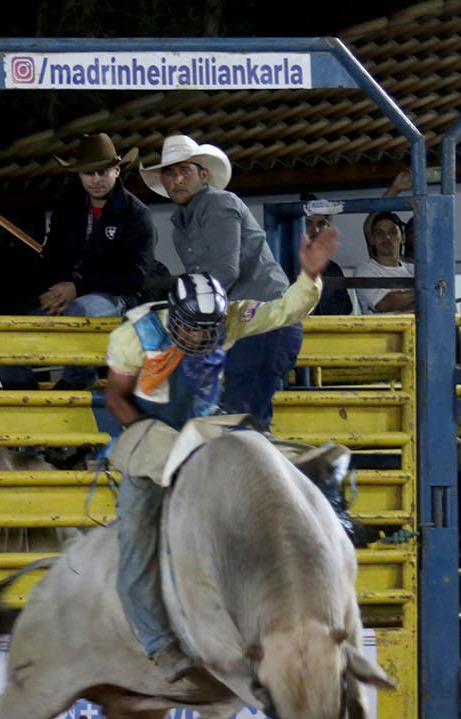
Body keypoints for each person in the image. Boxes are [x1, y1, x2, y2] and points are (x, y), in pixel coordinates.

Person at [103, 223, 339, 682]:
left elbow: (285, 310)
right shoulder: (134, 337)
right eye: (190, 329)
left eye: (207, 330)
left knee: (284, 464)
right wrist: (153, 444)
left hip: (209, 426)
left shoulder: (232, 317)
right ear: (174, 316)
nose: (198, 338)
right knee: (136, 537)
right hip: (151, 430)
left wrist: (309, 278)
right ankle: (158, 642)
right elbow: (116, 399)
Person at [140, 134, 296, 425]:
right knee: (242, 420)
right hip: (249, 324)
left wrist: (184, 319)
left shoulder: (218, 204)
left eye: (185, 171)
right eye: (170, 173)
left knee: (239, 419)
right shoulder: (182, 223)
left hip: (260, 321)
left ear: (203, 174)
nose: (176, 180)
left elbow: (224, 273)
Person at [0, 134, 155, 391]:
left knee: (79, 311)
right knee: (8, 342)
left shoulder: (137, 215)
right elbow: (49, 260)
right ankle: (25, 400)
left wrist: (76, 287)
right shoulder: (67, 210)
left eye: (102, 172)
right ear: (79, 176)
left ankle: (78, 379)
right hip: (70, 297)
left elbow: (135, 277)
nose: (94, 180)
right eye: (87, 173)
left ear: (117, 170)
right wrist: (54, 292)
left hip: (118, 300)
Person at [354, 212, 415, 313]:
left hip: (416, 328)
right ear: (373, 239)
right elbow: (384, 304)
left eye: (392, 232)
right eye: (379, 233)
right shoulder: (365, 270)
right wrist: (424, 291)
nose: (386, 237)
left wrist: (405, 297)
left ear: (403, 238)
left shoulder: (414, 270)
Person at [302, 195, 353, 316]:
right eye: (308, 223)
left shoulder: (333, 270)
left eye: (321, 224)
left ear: (328, 228)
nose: (316, 230)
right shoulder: (283, 265)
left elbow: (344, 312)